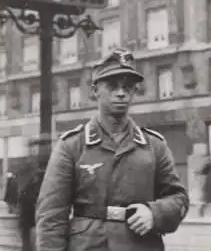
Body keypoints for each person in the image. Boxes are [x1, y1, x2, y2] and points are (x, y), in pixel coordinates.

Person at [35, 48, 189, 251]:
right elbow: (51, 216)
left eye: (128, 86)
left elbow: (178, 198)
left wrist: (155, 213)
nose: (121, 93)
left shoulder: (154, 145)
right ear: (94, 91)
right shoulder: (72, 145)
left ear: (135, 91)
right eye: (112, 85)